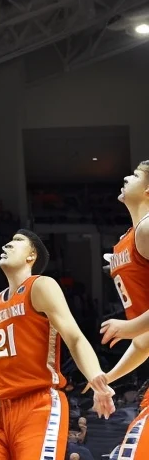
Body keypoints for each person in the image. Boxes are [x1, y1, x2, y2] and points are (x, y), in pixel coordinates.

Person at [0, 231, 115, 460]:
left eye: (17, 241)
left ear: (31, 255)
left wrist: (96, 378)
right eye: (8, 241)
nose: (7, 245)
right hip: (3, 411)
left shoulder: (40, 285)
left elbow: (74, 337)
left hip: (39, 404)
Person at [95, 163, 149, 394]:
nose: (126, 177)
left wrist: (130, 326)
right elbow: (144, 342)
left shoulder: (147, 228)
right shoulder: (129, 237)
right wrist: (106, 380)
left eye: (136, 175)